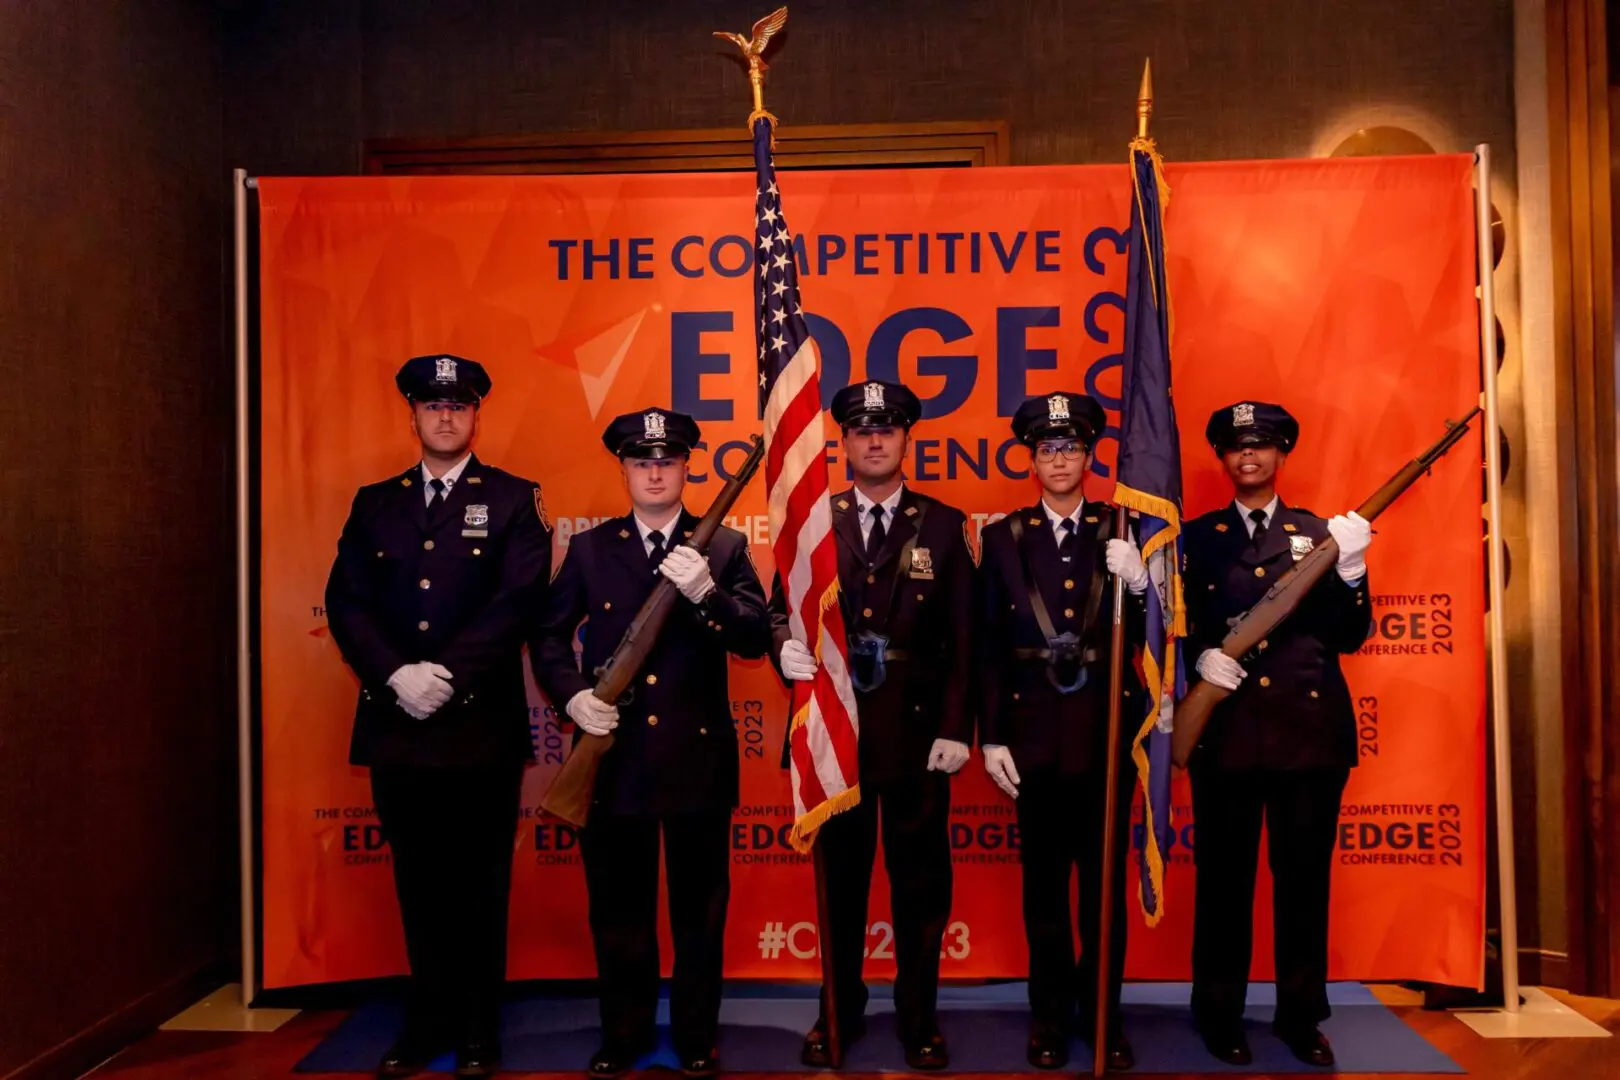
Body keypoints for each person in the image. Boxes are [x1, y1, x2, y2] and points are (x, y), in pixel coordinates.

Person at [324, 354, 553, 1080]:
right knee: (418, 884)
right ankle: (426, 1023)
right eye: (432, 405)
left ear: (476, 414)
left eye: (458, 405)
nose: (445, 416)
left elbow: (517, 602)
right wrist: (396, 675)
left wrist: (444, 677)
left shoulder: (516, 500)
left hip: (477, 727)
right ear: (414, 415)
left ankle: (480, 1030)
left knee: (481, 883)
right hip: (398, 724)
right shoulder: (375, 503)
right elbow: (346, 602)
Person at [529, 407, 770, 1080]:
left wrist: (708, 595)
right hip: (616, 764)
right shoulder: (592, 548)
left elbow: (755, 636)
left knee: (700, 914)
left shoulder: (719, 548)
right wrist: (573, 695)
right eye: (642, 462)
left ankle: (697, 1038)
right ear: (626, 469)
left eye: (668, 461)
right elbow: (548, 637)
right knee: (619, 912)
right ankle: (625, 1035)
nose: (656, 472)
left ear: (688, 467)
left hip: (696, 761)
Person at [771, 380, 975, 1071]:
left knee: (921, 888)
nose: (875, 440)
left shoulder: (944, 525)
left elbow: (964, 642)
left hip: (918, 736)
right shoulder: (815, 524)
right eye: (862, 431)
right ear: (844, 443)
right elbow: (781, 611)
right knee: (841, 887)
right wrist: (781, 647)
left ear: (906, 439)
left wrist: (957, 727)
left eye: (887, 429)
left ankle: (920, 1017)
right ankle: (840, 1011)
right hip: (837, 735)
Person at [1182, 401, 1373, 1068]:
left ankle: (1300, 1015)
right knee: (1224, 888)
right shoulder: (1194, 538)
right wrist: (1196, 663)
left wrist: (1351, 574)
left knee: (1302, 887)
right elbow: (1176, 631)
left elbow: (1350, 636)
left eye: (1262, 445)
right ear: (1223, 459)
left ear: (1281, 453)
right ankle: (1219, 1013)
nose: (1249, 457)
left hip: (1307, 738)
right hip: (1227, 737)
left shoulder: (1320, 535)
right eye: (1237, 448)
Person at [974, 392, 1145, 1072]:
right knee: (1043, 893)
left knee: (1104, 893)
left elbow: (1164, 629)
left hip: (1108, 737)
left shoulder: (1124, 529)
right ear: (1030, 460)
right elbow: (987, 646)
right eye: (1047, 449)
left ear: (1090, 456)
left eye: (1071, 447)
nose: (1060, 459)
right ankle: (1048, 1019)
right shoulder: (1002, 539)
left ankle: (1103, 1015)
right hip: (1034, 738)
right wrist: (991, 737)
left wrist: (1144, 584)